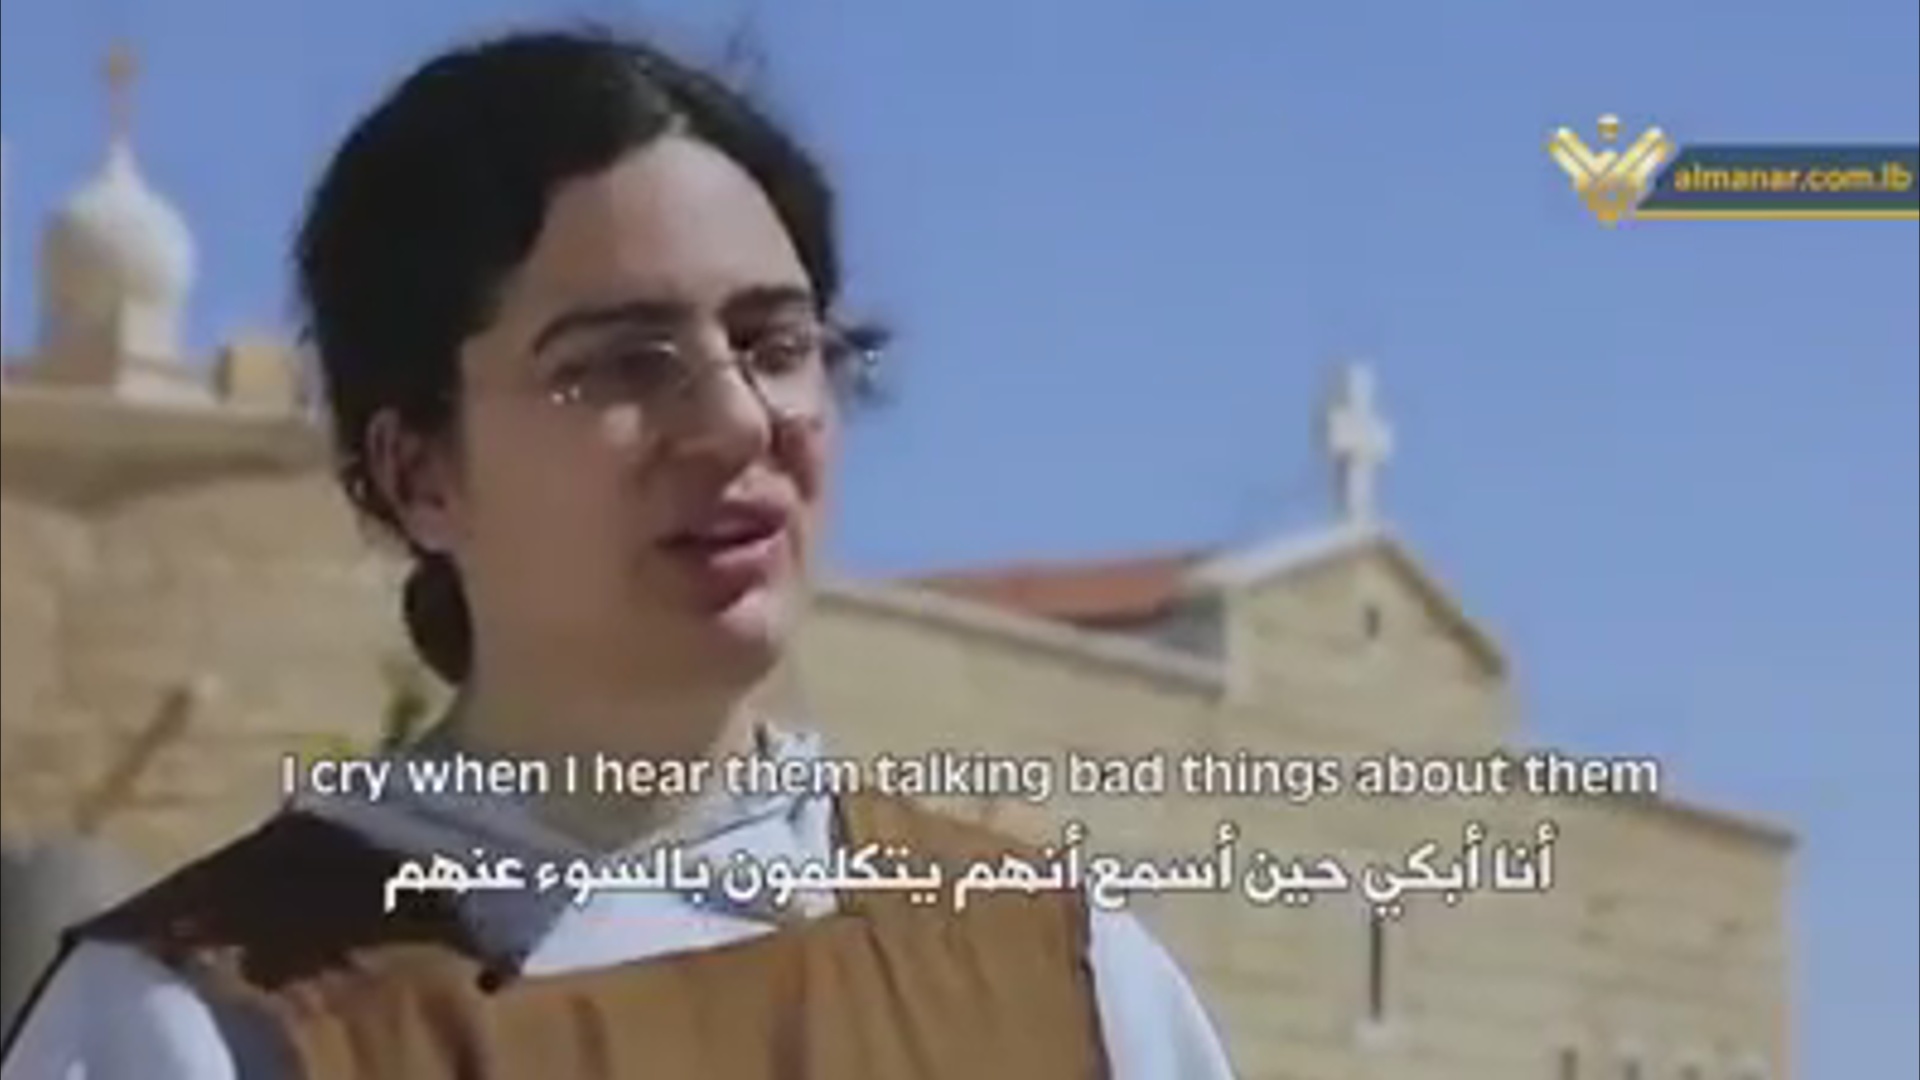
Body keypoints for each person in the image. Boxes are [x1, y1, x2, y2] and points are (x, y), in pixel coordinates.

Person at [1, 26, 1237, 1080]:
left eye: (776, 346)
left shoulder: (1067, 979)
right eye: (623, 364)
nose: (738, 422)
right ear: (419, 472)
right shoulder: (195, 1032)